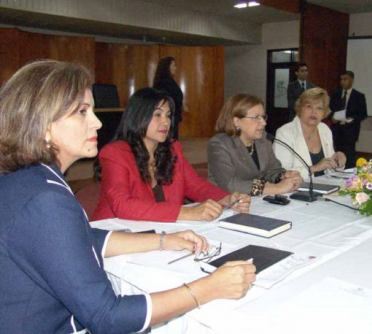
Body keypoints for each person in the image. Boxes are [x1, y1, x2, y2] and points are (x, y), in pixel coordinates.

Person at [0, 60, 256, 333]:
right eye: (82, 112)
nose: (97, 122)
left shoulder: (27, 179)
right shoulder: (46, 199)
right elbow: (107, 316)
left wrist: (163, 240)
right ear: (42, 124)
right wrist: (207, 288)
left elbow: (77, 237)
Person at [93, 87, 250, 223]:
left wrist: (225, 199)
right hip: (116, 234)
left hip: (161, 231)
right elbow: (123, 205)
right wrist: (188, 213)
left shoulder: (173, 148)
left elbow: (195, 185)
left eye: (168, 115)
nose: (166, 122)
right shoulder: (115, 153)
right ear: (138, 116)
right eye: (157, 115)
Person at [208, 93, 303, 196]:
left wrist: (286, 177)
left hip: (256, 201)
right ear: (236, 121)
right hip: (225, 204)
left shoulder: (263, 140)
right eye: (256, 117)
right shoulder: (219, 144)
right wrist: (275, 188)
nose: (263, 122)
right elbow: (230, 184)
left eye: (263, 117)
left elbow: (273, 170)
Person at [274, 88, 346, 179]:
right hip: (296, 189)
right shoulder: (284, 133)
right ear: (300, 108)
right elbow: (281, 173)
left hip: (326, 185)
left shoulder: (325, 129)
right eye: (309, 106)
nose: (314, 112)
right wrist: (314, 168)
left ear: (324, 112)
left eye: (319, 108)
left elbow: (329, 167)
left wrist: (337, 160)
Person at [329, 70, 368, 169]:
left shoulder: (359, 96)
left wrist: (353, 119)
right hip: (337, 129)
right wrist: (332, 117)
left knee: (349, 154)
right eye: (341, 79)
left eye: (345, 79)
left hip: (350, 129)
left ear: (352, 80)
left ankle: (349, 171)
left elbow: (363, 114)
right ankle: (336, 169)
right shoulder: (335, 94)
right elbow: (329, 110)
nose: (342, 82)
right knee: (336, 151)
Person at [153, 56, 185, 139]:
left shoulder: (169, 81)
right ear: (167, 67)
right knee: (170, 137)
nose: (175, 68)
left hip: (173, 114)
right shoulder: (164, 82)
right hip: (169, 114)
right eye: (173, 65)